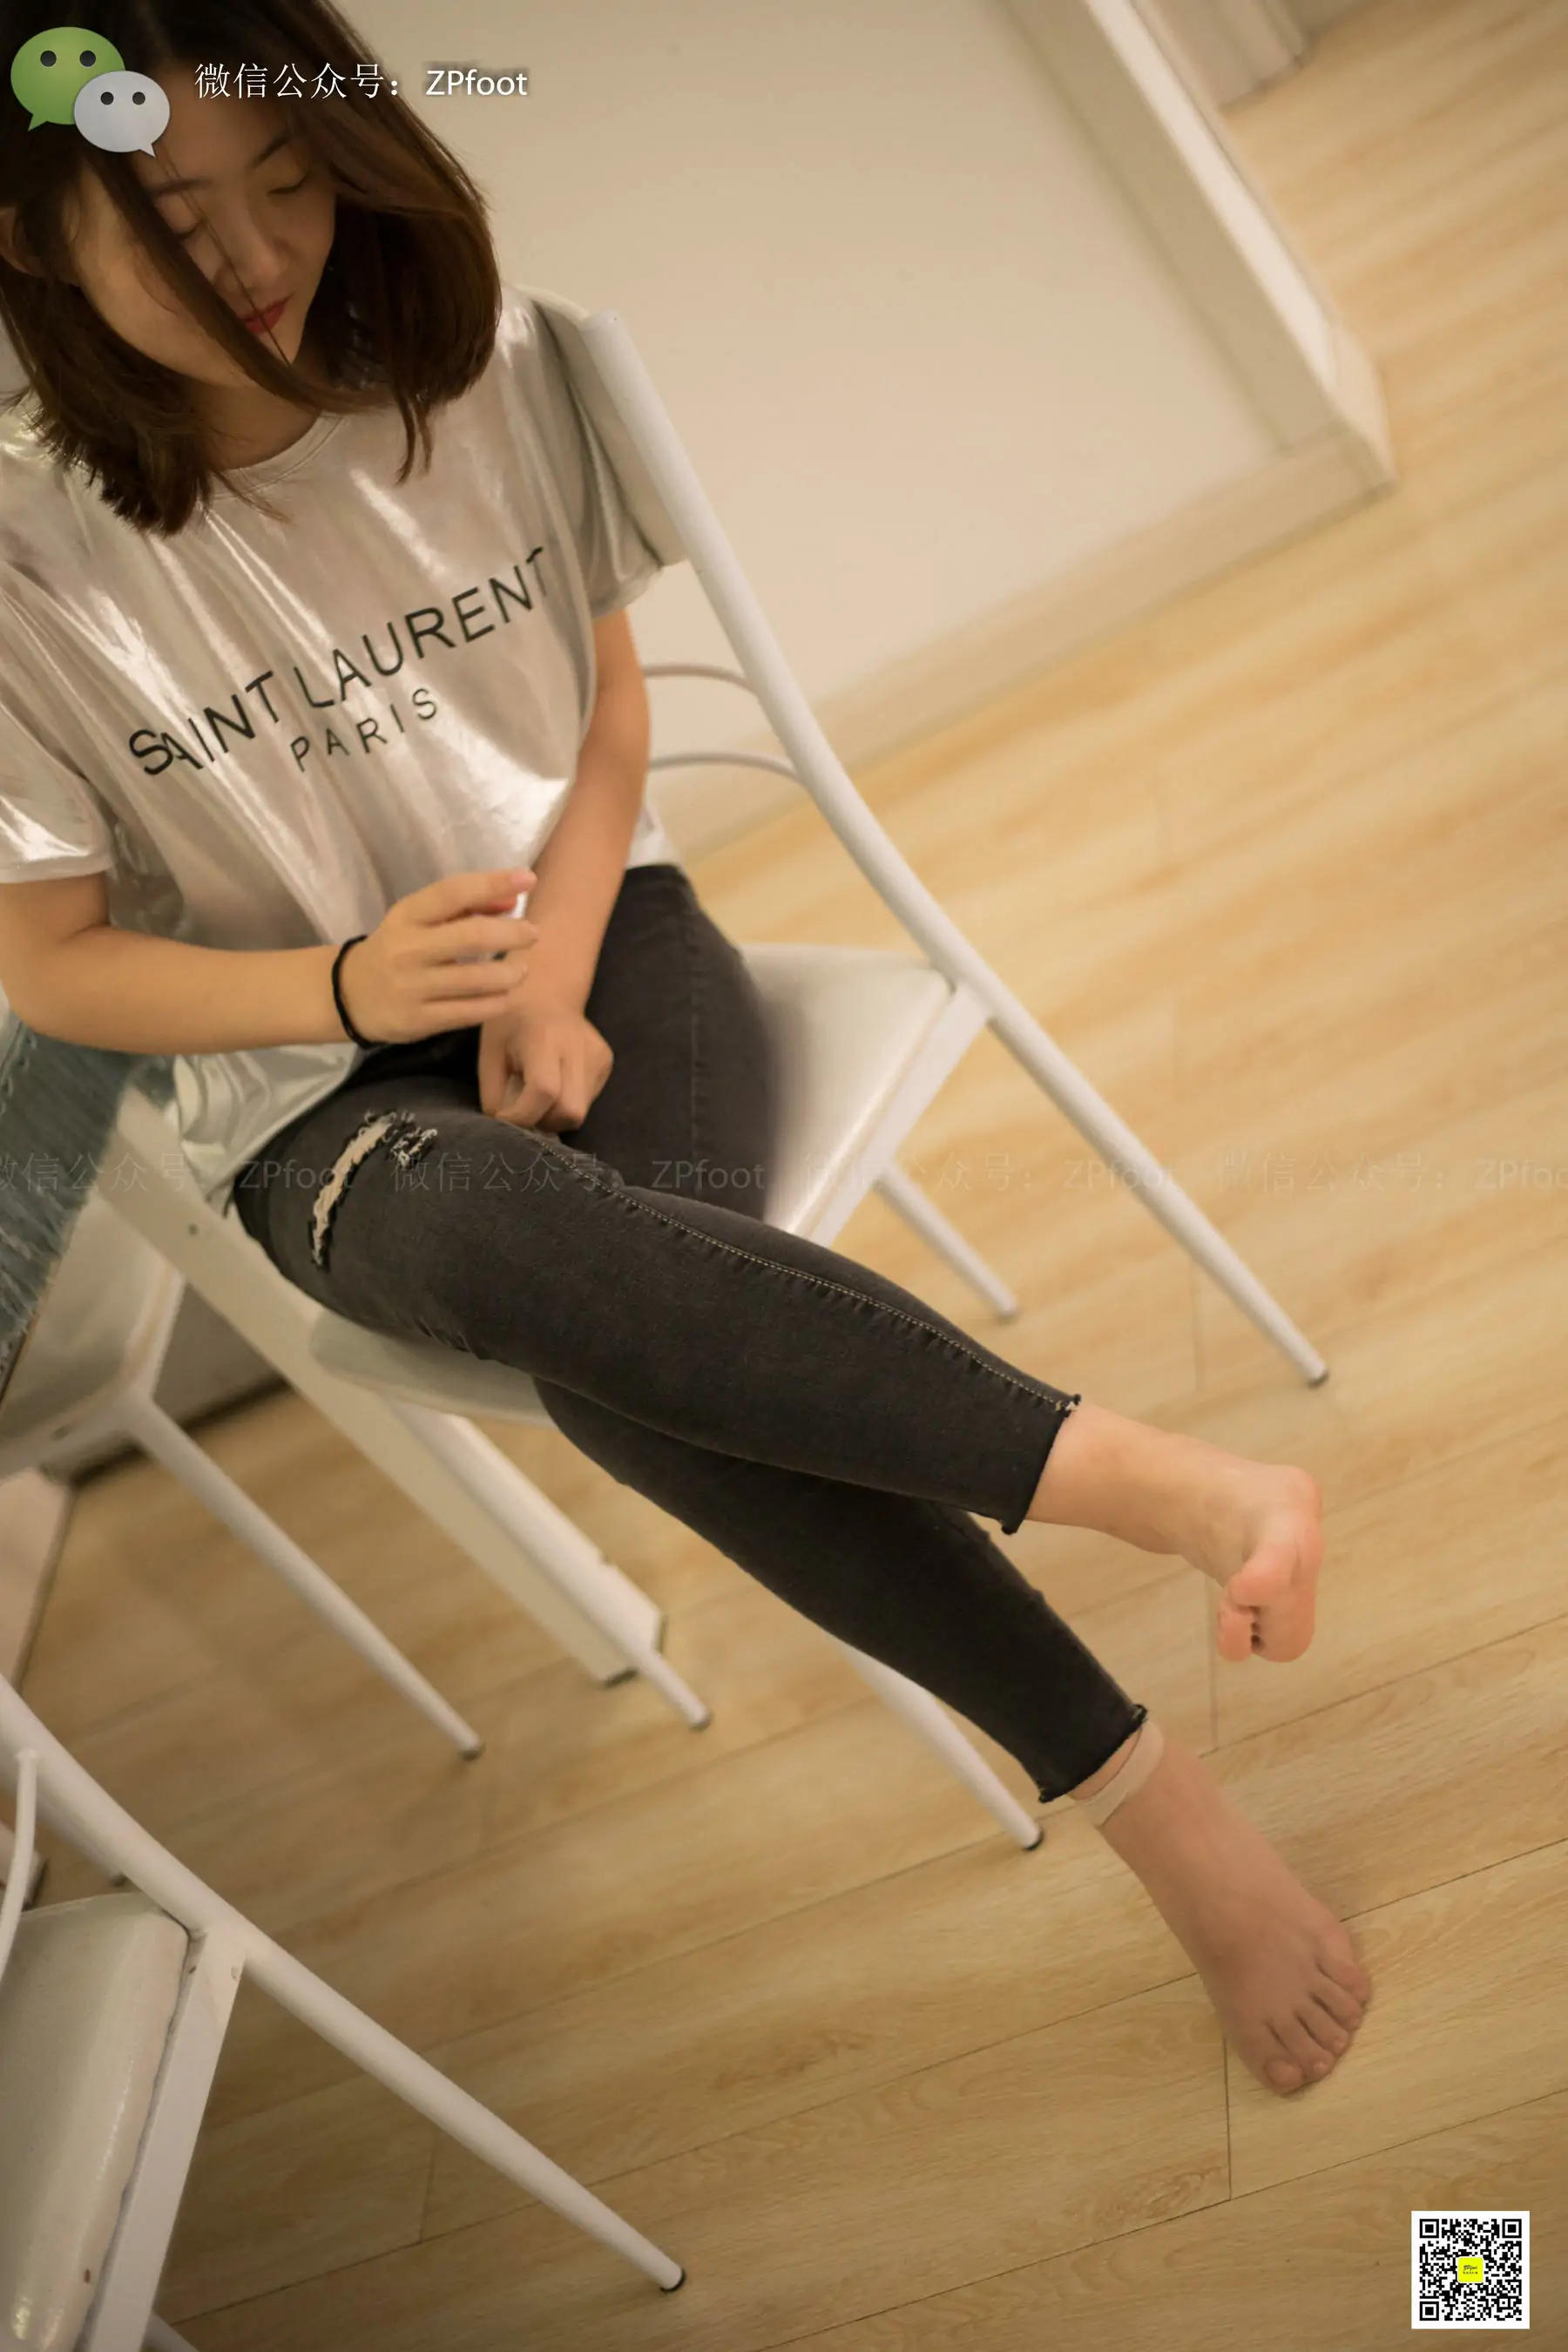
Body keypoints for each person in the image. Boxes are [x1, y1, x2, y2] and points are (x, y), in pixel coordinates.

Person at [0, 0, 1369, 2099]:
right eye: (181, 219)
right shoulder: (28, 558)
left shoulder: (480, 363)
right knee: (555, 1277)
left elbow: (607, 723)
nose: (261, 255)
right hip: (312, 1090)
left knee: (635, 1345)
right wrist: (350, 992)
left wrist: (548, 975)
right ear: (33, 233)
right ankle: (1152, 1497)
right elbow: (57, 968)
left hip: (594, 931)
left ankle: (1148, 1799)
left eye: (290, 179)